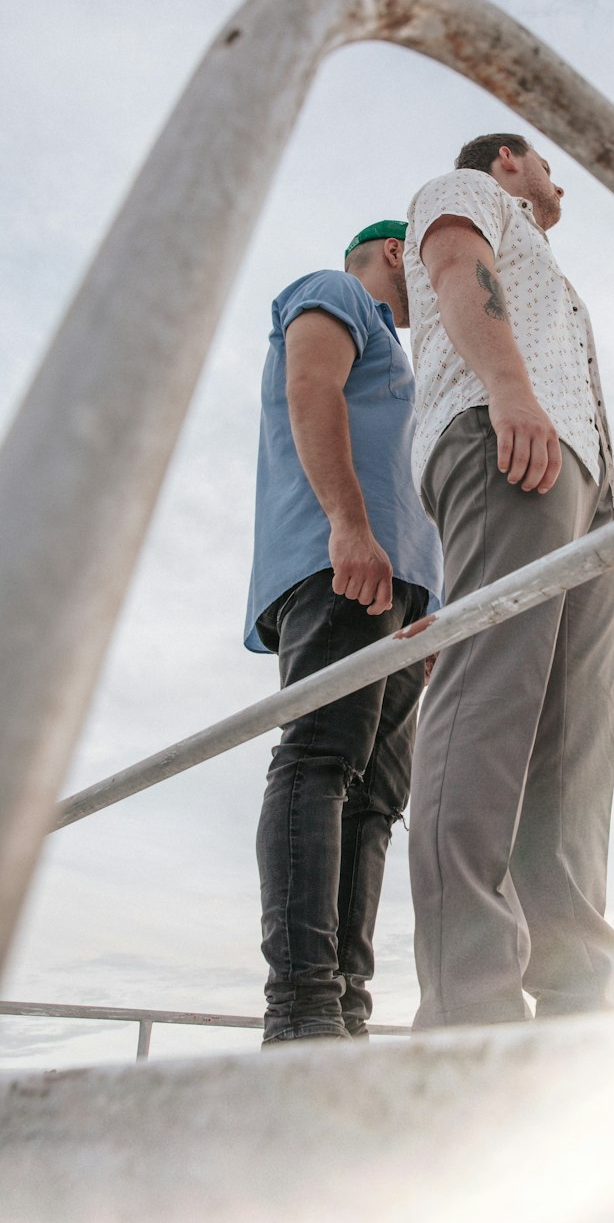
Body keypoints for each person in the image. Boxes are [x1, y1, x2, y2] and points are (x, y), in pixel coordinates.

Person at [404, 133, 614, 1028]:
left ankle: (585, 999)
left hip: (580, 481)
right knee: (490, 702)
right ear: (508, 159)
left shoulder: (554, 273)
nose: (558, 180)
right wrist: (508, 390)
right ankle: (471, 1005)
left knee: (573, 744)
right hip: (502, 435)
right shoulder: (465, 188)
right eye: (545, 161)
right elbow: (460, 266)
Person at [245, 221, 443, 1044]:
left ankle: (346, 1006)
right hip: (340, 563)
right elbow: (311, 389)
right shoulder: (338, 290)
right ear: (397, 253)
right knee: (320, 759)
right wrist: (350, 527)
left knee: (374, 801)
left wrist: (429, 592)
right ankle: (301, 1006)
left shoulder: (409, 364)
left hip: (405, 591)